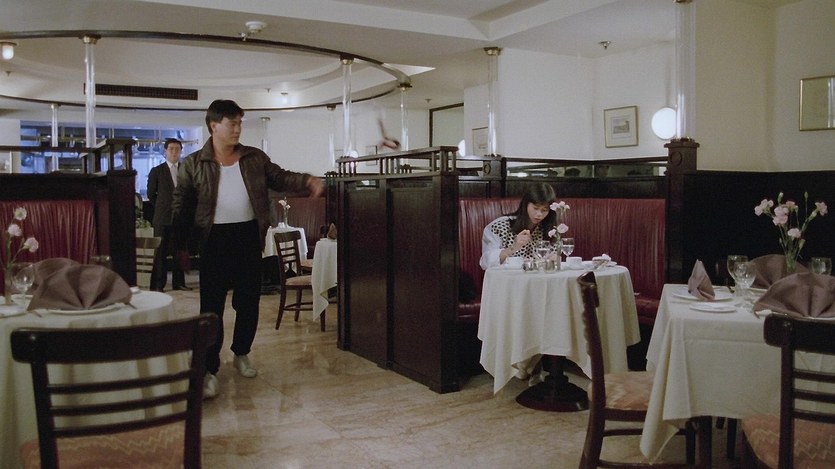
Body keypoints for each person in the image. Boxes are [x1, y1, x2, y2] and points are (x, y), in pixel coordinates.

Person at [172, 99, 324, 399]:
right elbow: (181, 205)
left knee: (248, 302)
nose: (238, 129)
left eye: (240, 123)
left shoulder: (254, 158)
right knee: (211, 308)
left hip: (248, 236)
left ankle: (241, 352)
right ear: (214, 126)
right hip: (213, 240)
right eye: (232, 123)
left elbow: (280, 177)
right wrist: (180, 245)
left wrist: (306, 180)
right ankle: (209, 368)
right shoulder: (194, 164)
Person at [147, 138, 191, 292]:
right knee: (160, 253)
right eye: (171, 149)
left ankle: (179, 283)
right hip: (162, 218)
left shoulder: (185, 170)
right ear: (165, 151)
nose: (174, 152)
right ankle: (158, 285)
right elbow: (151, 195)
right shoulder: (157, 171)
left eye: (177, 149)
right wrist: (164, 207)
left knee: (179, 251)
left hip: (180, 218)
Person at [479, 183, 557, 269]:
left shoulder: (550, 230)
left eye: (544, 210)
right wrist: (514, 247)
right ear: (526, 204)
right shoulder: (500, 227)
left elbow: (554, 257)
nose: (539, 214)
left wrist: (554, 259)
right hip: (507, 276)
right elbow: (486, 263)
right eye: (535, 208)